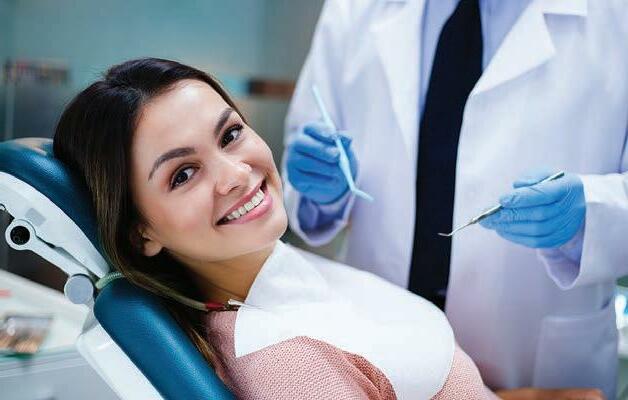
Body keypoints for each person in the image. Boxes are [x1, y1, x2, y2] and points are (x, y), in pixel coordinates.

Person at [51, 58, 605, 400]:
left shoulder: (280, 274)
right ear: (140, 234)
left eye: (231, 135)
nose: (236, 174)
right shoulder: (286, 363)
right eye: (183, 174)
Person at [282, 1, 628, 397]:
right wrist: (321, 191)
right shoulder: (354, 9)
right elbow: (307, 140)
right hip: (375, 335)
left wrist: (591, 214)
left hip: (535, 362)